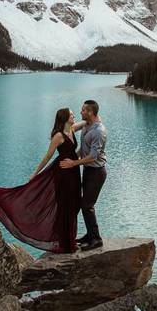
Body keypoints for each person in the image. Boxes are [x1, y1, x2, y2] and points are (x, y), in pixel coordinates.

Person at [0, 107, 82, 253]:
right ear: (64, 118)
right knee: (66, 206)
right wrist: (35, 173)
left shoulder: (71, 129)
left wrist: (95, 120)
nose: (74, 116)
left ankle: (69, 239)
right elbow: (47, 156)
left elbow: (84, 123)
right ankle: (66, 243)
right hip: (63, 174)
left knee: (75, 203)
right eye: (71, 115)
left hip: (74, 172)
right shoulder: (58, 136)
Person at [60, 99, 107, 250]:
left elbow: (93, 156)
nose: (80, 112)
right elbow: (70, 129)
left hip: (97, 172)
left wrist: (73, 163)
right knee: (83, 204)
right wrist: (57, 133)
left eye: (83, 110)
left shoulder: (99, 131)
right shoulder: (87, 124)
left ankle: (97, 239)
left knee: (87, 205)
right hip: (88, 170)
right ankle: (90, 235)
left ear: (91, 113)